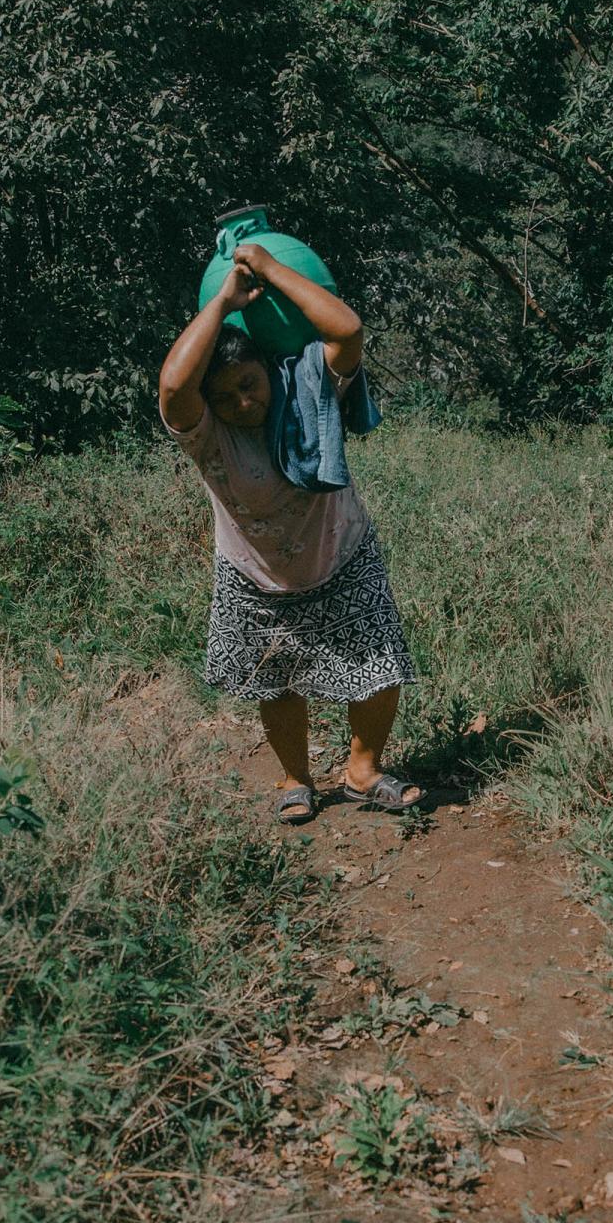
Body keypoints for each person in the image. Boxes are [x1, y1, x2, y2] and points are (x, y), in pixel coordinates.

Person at [157, 238, 423, 823]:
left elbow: (347, 332)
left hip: (342, 554)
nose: (243, 401)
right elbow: (174, 389)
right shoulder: (206, 436)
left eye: (249, 382)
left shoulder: (309, 389)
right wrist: (223, 303)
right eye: (224, 396)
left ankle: (362, 771)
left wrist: (272, 270)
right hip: (257, 577)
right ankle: (294, 778)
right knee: (277, 683)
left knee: (379, 668)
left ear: (268, 371)